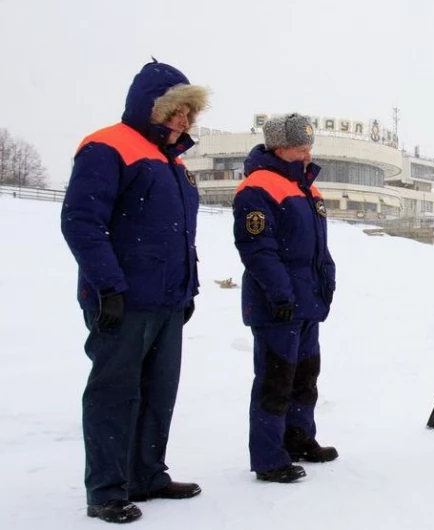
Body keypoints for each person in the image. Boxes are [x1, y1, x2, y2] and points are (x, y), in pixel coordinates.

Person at [60, 59, 209, 524]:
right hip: (123, 300)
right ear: (151, 106)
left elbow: (181, 234)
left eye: (189, 112)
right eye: (175, 110)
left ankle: (146, 474)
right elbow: (82, 222)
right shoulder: (107, 147)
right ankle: (105, 490)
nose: (183, 120)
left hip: (168, 301)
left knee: (158, 392)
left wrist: (190, 289)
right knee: (114, 392)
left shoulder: (175, 165)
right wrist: (108, 286)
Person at [232, 113, 338, 483]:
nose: (307, 153)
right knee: (275, 381)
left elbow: (317, 249)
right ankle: (269, 457)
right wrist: (280, 293)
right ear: (278, 148)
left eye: (309, 146)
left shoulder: (309, 188)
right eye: (299, 147)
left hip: (307, 303)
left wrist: (327, 282)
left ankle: (299, 438)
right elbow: (258, 249)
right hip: (277, 306)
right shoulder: (259, 187)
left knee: (305, 378)